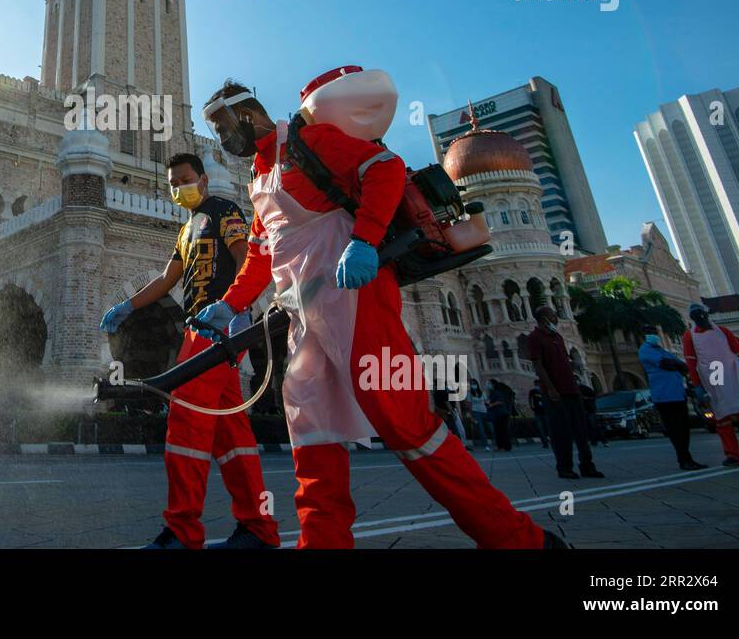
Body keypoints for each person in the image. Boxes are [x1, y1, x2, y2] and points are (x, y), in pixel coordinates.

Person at [194, 73, 559, 549]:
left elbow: (384, 167)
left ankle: (520, 540)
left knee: (404, 422)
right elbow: (262, 254)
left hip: (358, 297)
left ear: (244, 114)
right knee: (311, 427)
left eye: (224, 128)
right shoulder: (259, 177)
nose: (223, 140)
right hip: (304, 314)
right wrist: (228, 304)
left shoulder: (309, 142)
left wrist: (364, 240)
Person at [99, 152, 280, 550]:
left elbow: (244, 256)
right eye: (172, 183)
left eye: (184, 179)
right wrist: (129, 306)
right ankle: (258, 528)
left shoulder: (223, 209)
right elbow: (167, 279)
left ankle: (183, 531)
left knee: (186, 424)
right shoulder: (186, 230)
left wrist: (239, 310)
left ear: (202, 178)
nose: (178, 188)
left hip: (214, 331)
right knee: (233, 436)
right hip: (199, 328)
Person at [682, 303, 739, 467]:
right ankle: (733, 455)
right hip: (714, 376)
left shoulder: (723, 331)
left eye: (701, 314)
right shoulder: (689, 336)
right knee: (722, 418)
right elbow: (691, 362)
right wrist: (697, 384)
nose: (700, 317)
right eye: (695, 315)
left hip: (732, 373)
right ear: (692, 319)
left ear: (706, 315)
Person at [526, 305, 605, 480]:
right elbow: (538, 365)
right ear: (544, 318)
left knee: (580, 429)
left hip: (571, 389)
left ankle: (587, 465)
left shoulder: (557, 337)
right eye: (553, 315)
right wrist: (551, 388)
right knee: (561, 432)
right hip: (555, 392)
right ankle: (564, 467)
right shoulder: (534, 337)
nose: (556, 318)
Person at [638, 324, 706, 470]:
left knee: (684, 428)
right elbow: (667, 363)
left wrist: (676, 364)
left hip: (677, 394)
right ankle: (683, 459)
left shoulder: (661, 350)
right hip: (664, 396)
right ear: (643, 335)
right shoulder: (645, 350)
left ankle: (687, 458)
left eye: (654, 332)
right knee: (675, 429)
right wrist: (676, 364)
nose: (653, 334)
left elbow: (683, 366)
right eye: (649, 332)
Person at [486, 379, 513, 451]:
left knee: (503, 431)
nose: (487, 385)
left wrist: (492, 404)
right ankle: (500, 446)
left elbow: (501, 401)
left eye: (489, 383)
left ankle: (506, 447)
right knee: (498, 431)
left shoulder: (497, 392)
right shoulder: (491, 393)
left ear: (493, 385)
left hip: (501, 414)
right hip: (496, 414)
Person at [466, 378, 493, 451]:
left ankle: (498, 443)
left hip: (484, 411)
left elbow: (486, 402)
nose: (473, 385)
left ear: (477, 384)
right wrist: (471, 416)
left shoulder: (482, 392)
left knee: (491, 427)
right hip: (476, 412)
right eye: (471, 384)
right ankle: (486, 445)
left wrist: (490, 405)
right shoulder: (469, 394)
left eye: (474, 383)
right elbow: (469, 405)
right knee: (481, 430)